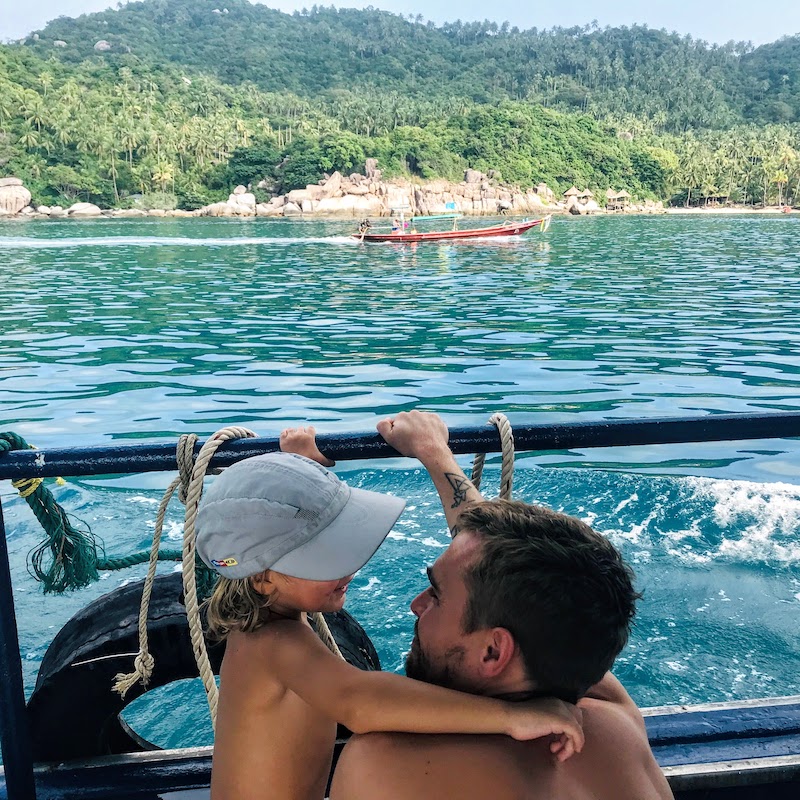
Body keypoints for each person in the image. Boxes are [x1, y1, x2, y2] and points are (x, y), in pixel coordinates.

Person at [196, 426, 585, 800]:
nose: (348, 568)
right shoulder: (272, 644)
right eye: (325, 556)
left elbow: (489, 566)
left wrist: (299, 470)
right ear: (263, 580)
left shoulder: (269, 617)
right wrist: (512, 718)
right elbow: (358, 702)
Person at [329, 411, 674, 800]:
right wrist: (434, 453)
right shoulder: (616, 727)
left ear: (494, 651)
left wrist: (434, 451)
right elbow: (502, 573)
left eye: (436, 595)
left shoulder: (389, 765)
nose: (416, 604)